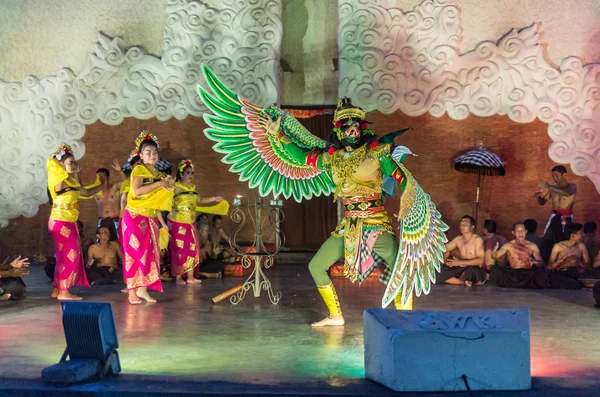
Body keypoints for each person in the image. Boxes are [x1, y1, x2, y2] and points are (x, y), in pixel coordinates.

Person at [199, 67, 447, 327]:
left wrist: (410, 203)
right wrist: (278, 136)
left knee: (401, 268)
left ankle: (405, 319)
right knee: (316, 266)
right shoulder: (332, 159)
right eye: (346, 126)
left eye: (355, 126)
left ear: (362, 129)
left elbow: (403, 179)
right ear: (339, 131)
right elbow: (300, 157)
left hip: (376, 225)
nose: (351, 130)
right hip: (348, 226)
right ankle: (336, 315)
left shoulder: (378, 154)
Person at [121, 131, 174, 304]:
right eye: (148, 152)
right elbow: (137, 191)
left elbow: (156, 202)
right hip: (135, 217)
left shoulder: (157, 173)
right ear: (141, 155)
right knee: (135, 253)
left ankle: (143, 289)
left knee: (150, 254)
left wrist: (162, 223)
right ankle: (132, 292)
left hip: (150, 217)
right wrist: (159, 184)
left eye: (155, 152)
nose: (152, 155)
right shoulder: (139, 169)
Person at [47, 142, 105, 300]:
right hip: (61, 222)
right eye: (70, 162)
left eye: (74, 162)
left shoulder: (71, 181)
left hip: (68, 222)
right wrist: (59, 165)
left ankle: (57, 290)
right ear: (60, 164)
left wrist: (102, 185)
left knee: (62, 257)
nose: (73, 165)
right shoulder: (58, 179)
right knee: (72, 256)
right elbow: (58, 185)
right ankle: (64, 292)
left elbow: (85, 192)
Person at [168, 159, 224, 285]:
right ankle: (178, 277)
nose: (191, 176)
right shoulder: (175, 187)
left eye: (192, 173)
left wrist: (214, 198)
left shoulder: (193, 189)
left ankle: (190, 276)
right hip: (178, 223)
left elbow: (200, 199)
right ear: (181, 174)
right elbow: (165, 202)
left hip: (191, 223)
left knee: (193, 250)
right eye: (188, 173)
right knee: (180, 251)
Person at [489, 223, 547, 289]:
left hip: (528, 274)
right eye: (517, 231)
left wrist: (535, 262)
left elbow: (541, 263)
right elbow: (494, 256)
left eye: (522, 231)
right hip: (514, 274)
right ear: (513, 233)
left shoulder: (533, 246)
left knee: (540, 273)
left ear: (526, 232)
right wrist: (494, 250)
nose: (520, 233)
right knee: (495, 270)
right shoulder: (509, 245)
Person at [438, 216, 486, 286]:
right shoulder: (458, 239)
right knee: (437, 274)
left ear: (472, 227)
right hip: (461, 267)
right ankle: (462, 282)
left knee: (471, 269)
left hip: (474, 269)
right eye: (461, 224)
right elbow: (444, 249)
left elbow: (480, 260)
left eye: (465, 225)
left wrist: (459, 262)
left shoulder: (477, 240)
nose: (462, 226)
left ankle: (464, 279)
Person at [534, 165, 576, 234]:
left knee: (565, 237)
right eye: (553, 176)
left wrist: (549, 186)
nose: (554, 178)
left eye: (556, 176)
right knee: (548, 236)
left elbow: (568, 193)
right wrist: (538, 197)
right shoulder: (552, 189)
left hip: (566, 217)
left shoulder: (572, 186)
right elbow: (542, 202)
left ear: (564, 175)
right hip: (554, 216)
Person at [546, 223, 587, 289]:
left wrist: (578, 261)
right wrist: (560, 260)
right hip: (561, 273)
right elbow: (549, 267)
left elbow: (589, 267)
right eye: (581, 233)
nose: (584, 235)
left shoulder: (581, 246)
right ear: (573, 235)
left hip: (576, 273)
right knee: (552, 277)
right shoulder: (558, 246)